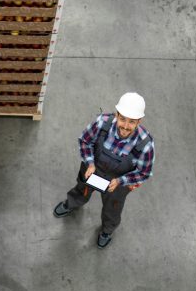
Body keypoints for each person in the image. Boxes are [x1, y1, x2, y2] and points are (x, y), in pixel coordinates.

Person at [53, 92, 156, 249]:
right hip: (93, 170)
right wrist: (90, 163)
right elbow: (85, 141)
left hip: (117, 182)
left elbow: (143, 172)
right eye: (122, 119)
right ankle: (72, 203)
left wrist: (121, 181)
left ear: (139, 121)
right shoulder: (102, 123)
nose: (125, 126)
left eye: (132, 122)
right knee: (82, 189)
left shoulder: (145, 145)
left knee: (112, 207)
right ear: (117, 114)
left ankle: (107, 230)